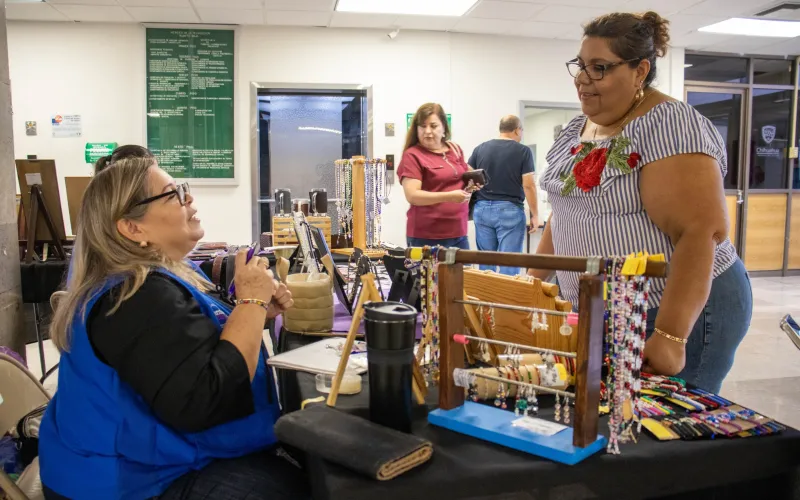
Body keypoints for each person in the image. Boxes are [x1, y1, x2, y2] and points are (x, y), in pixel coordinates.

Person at [39, 153, 308, 499]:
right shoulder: (132, 296)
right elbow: (203, 401)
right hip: (123, 484)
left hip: (149, 462)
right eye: (173, 194)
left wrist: (255, 314)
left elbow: (194, 341)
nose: (189, 198)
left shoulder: (169, 273)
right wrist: (250, 303)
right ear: (132, 227)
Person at [529, 11, 751, 393]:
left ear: (639, 70)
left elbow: (701, 231)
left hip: (676, 310)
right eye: (581, 66)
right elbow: (565, 212)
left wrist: (671, 334)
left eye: (599, 68)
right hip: (606, 308)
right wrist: (533, 283)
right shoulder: (577, 128)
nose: (583, 79)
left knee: (663, 429)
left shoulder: (668, 124)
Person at [398, 103, 476, 249]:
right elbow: (413, 196)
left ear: (444, 128)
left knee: (464, 273)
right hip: (426, 236)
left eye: (433, 126)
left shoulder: (455, 149)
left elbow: (463, 177)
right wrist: (448, 196)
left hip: (458, 232)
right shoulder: (412, 155)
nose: (428, 131)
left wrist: (473, 184)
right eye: (422, 126)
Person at [469, 115, 538, 275]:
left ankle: (485, 299)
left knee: (486, 264)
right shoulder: (523, 151)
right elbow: (528, 185)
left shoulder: (481, 148)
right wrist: (535, 214)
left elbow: (467, 174)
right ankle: (506, 300)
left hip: (482, 209)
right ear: (517, 130)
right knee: (509, 263)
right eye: (522, 131)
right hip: (510, 211)